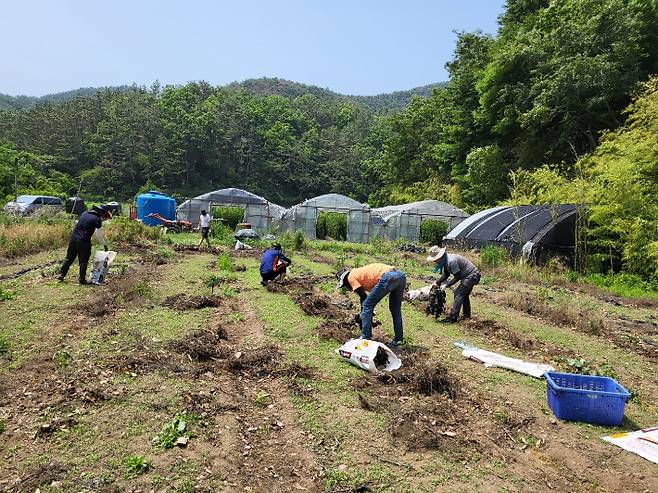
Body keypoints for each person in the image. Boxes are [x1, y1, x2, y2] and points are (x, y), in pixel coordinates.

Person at [336, 263, 406, 346]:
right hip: (400, 276)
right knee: (395, 309)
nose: (348, 288)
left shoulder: (350, 277)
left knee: (367, 306)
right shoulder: (358, 273)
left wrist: (363, 317)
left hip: (388, 277)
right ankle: (398, 340)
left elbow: (364, 298)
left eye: (345, 285)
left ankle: (365, 338)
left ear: (345, 280)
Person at [59, 205, 112, 285]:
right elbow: (98, 235)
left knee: (69, 258)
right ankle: (82, 279)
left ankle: (62, 275)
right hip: (83, 241)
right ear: (101, 213)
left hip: (73, 239)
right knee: (83, 260)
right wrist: (104, 244)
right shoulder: (97, 219)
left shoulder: (84, 214)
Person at [426, 246, 481, 323]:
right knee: (464, 294)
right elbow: (446, 274)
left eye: (435, 259)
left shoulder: (451, 261)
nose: (435, 261)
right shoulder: (445, 260)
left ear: (439, 257)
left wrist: (446, 285)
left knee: (458, 293)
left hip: (472, 276)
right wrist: (437, 283)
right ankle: (466, 315)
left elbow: (457, 277)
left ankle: (453, 317)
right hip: (468, 276)